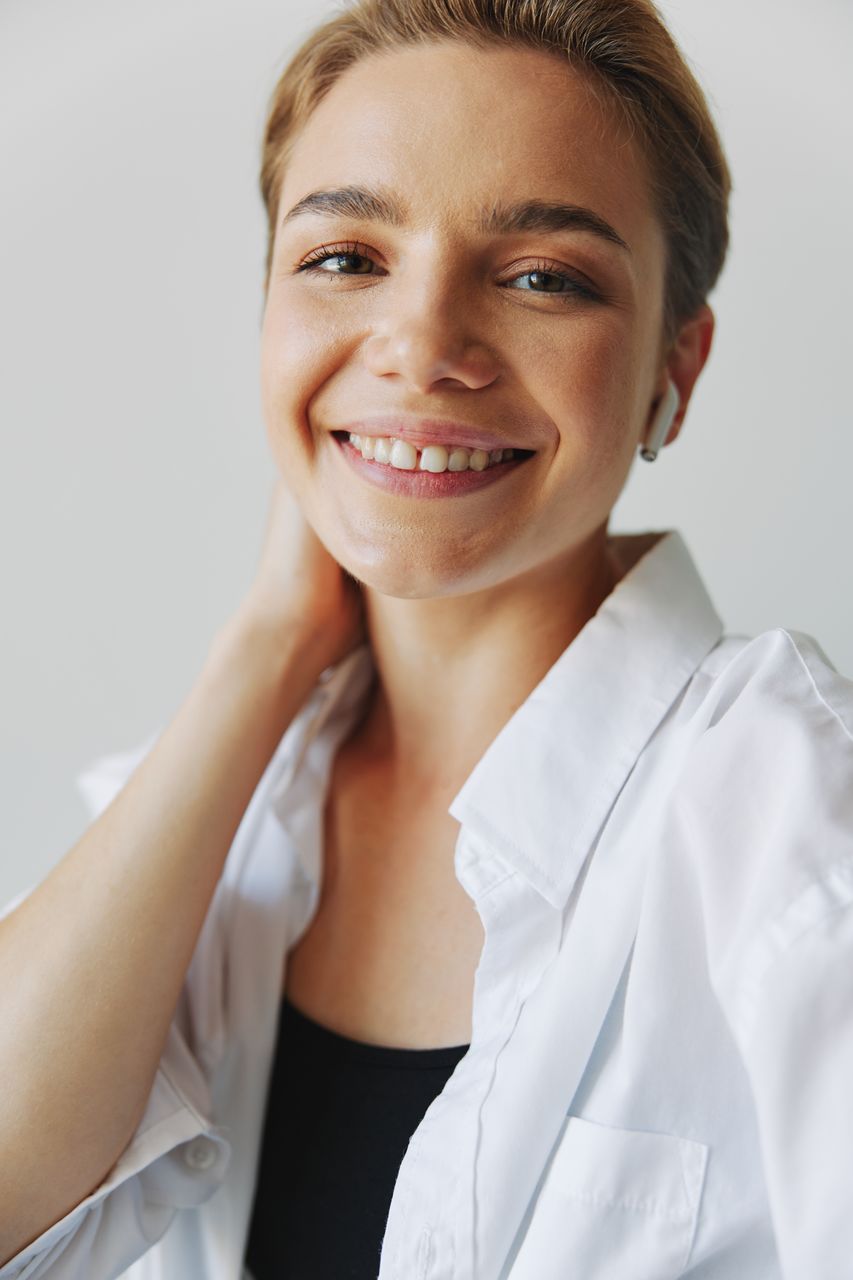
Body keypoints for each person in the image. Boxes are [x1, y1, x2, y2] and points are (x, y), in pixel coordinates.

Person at [1, 0, 851, 1276]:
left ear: (678, 365)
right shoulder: (210, 814)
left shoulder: (789, 813)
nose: (420, 345)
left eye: (542, 277)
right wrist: (269, 642)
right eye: (345, 257)